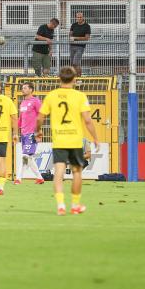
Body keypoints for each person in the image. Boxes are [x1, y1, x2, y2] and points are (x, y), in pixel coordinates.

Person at [37, 66, 100, 216]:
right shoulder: (80, 96)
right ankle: (75, 205)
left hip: (59, 140)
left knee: (59, 172)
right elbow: (88, 120)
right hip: (75, 140)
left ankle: (60, 205)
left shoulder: (52, 96)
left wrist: (38, 131)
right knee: (77, 172)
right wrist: (95, 138)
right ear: (74, 79)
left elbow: (40, 117)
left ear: (59, 78)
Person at [15, 82, 45, 185]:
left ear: (31, 90)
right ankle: (40, 178)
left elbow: (41, 115)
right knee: (29, 157)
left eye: (25, 88)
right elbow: (21, 118)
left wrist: (39, 130)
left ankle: (18, 179)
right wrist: (16, 131)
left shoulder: (36, 101)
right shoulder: (22, 103)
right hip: (24, 133)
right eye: (22, 88)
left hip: (32, 133)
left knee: (25, 156)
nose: (22, 89)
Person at [69, 12, 91, 77]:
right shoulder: (74, 25)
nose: (79, 18)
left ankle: (79, 78)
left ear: (83, 17)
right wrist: (70, 38)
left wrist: (75, 38)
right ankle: (75, 78)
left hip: (80, 47)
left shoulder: (87, 26)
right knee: (73, 64)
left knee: (75, 63)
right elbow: (70, 34)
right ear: (76, 18)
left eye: (80, 17)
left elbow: (87, 38)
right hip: (72, 46)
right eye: (78, 17)